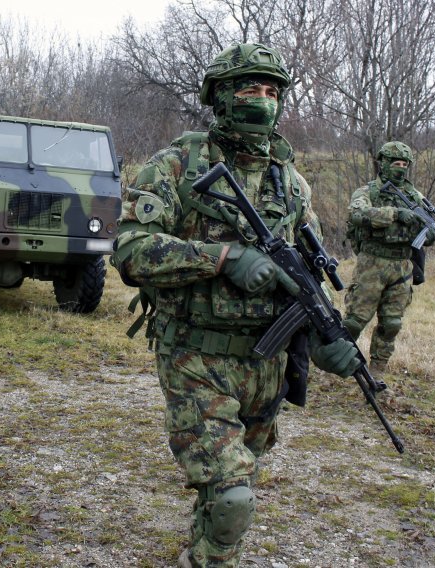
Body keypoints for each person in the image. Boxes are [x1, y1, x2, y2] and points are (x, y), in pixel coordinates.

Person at [111, 43, 360, 568]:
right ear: (221, 97)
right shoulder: (176, 165)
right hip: (195, 359)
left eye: (272, 91)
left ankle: (203, 550)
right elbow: (131, 251)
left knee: (235, 483)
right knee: (232, 496)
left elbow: (307, 278)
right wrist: (222, 257)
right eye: (250, 88)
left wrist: (325, 339)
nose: (262, 101)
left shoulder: (291, 184)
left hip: (266, 367)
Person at [342, 141, 435, 376]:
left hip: (402, 266)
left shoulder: (415, 196)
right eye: (395, 163)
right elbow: (357, 215)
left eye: (405, 164)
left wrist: (431, 233)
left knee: (392, 324)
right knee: (354, 321)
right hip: (372, 264)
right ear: (383, 164)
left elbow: (428, 230)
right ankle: (333, 361)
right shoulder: (368, 192)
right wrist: (395, 214)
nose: (400, 168)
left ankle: (376, 375)